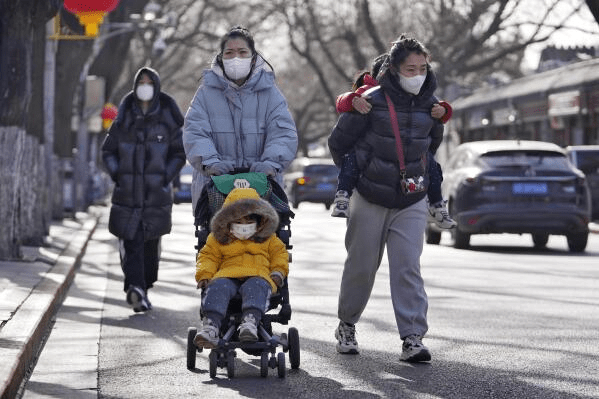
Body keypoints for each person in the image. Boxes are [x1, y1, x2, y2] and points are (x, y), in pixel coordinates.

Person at [328, 34, 443, 362]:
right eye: (410, 69)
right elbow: (338, 143)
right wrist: (362, 171)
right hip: (370, 196)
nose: (418, 75)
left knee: (408, 266)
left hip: (411, 199)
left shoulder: (431, 104)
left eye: (423, 68)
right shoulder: (369, 100)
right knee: (362, 266)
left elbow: (431, 147)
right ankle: (347, 324)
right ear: (393, 69)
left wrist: (417, 174)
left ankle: (412, 338)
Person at [331, 54, 456, 231]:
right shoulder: (369, 94)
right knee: (352, 161)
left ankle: (436, 205)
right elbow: (341, 103)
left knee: (432, 166)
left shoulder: (418, 97)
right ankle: (343, 194)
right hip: (370, 168)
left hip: (407, 177)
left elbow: (439, 118)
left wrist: (444, 110)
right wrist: (353, 101)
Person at [183, 26, 298, 213]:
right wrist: (211, 163)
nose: (236, 58)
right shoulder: (204, 95)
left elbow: (283, 133)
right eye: (229, 52)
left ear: (253, 57)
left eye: (242, 52)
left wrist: (269, 164)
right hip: (216, 192)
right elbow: (195, 132)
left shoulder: (271, 95)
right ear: (220, 57)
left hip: (263, 190)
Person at [102, 67, 186, 312]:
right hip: (127, 194)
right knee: (131, 243)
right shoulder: (124, 117)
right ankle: (135, 288)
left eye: (150, 82)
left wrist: (165, 177)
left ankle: (143, 286)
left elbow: (179, 154)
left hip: (156, 196)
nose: (145, 85)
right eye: (142, 82)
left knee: (150, 247)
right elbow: (108, 151)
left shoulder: (168, 119)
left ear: (157, 86)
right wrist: (118, 173)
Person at [193, 187, 289, 348]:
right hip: (227, 275)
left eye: (249, 221)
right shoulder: (219, 238)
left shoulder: (268, 238)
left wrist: (278, 272)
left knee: (256, 285)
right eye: (238, 222)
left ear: (260, 220)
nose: (243, 226)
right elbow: (208, 256)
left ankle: (250, 323)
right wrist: (204, 275)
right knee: (217, 286)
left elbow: (280, 255)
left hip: (259, 275)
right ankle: (211, 326)